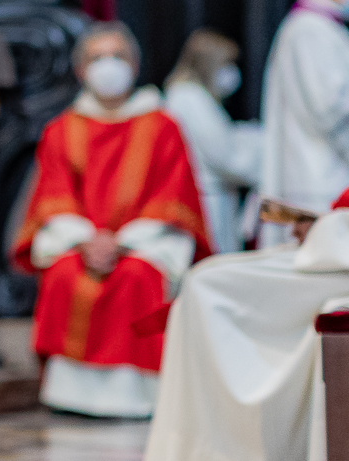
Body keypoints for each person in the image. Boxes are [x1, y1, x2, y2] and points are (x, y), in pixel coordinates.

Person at [12, 23, 208, 418]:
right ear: (80, 70)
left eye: (117, 56)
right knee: (65, 274)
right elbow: (53, 195)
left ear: (134, 66)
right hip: (79, 243)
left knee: (136, 277)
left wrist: (122, 243)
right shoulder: (62, 130)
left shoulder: (162, 127)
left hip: (144, 244)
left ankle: (138, 395)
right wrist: (85, 241)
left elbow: (172, 196)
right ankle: (69, 394)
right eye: (97, 58)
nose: (109, 66)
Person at [144, 188, 349, 460]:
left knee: (207, 284)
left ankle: (218, 445)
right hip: (332, 250)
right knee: (205, 277)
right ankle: (203, 441)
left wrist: (326, 230)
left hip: (339, 266)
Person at [260, 0, 349, 245]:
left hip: (320, 177)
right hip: (317, 182)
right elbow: (329, 110)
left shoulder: (318, 28)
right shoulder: (310, 31)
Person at [162, 28, 261, 254]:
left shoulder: (193, 96)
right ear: (209, 63)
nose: (231, 72)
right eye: (226, 64)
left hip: (213, 197)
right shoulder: (189, 97)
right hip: (208, 202)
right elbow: (224, 157)